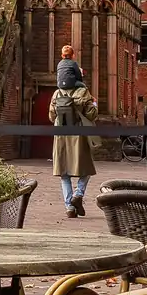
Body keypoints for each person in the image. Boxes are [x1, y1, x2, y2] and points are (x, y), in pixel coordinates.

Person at [51, 82, 97, 217]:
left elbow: (51, 116)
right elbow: (92, 115)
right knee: (86, 169)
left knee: (64, 173)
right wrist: (94, 103)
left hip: (61, 136)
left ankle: (69, 208)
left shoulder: (57, 93)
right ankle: (78, 194)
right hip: (79, 136)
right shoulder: (83, 92)